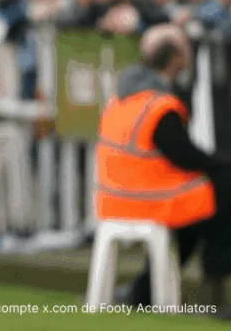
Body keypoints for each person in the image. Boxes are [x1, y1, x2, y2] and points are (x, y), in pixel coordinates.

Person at [95, 24, 231, 314]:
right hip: (146, 198)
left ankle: (144, 290)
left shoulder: (124, 95)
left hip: (114, 196)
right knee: (222, 193)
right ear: (174, 58)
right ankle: (218, 288)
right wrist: (221, 161)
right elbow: (183, 154)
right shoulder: (158, 103)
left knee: (199, 211)